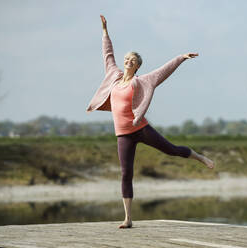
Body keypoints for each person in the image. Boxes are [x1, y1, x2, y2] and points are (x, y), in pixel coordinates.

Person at [86, 15, 215, 229]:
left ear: (137, 67)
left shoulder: (142, 81)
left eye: (133, 61)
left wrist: (181, 57)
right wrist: (105, 31)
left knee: (171, 150)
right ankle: (128, 218)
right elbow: (108, 54)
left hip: (141, 128)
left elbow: (163, 72)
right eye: (127, 59)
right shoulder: (114, 76)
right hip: (123, 134)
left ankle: (198, 156)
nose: (128, 61)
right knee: (126, 173)